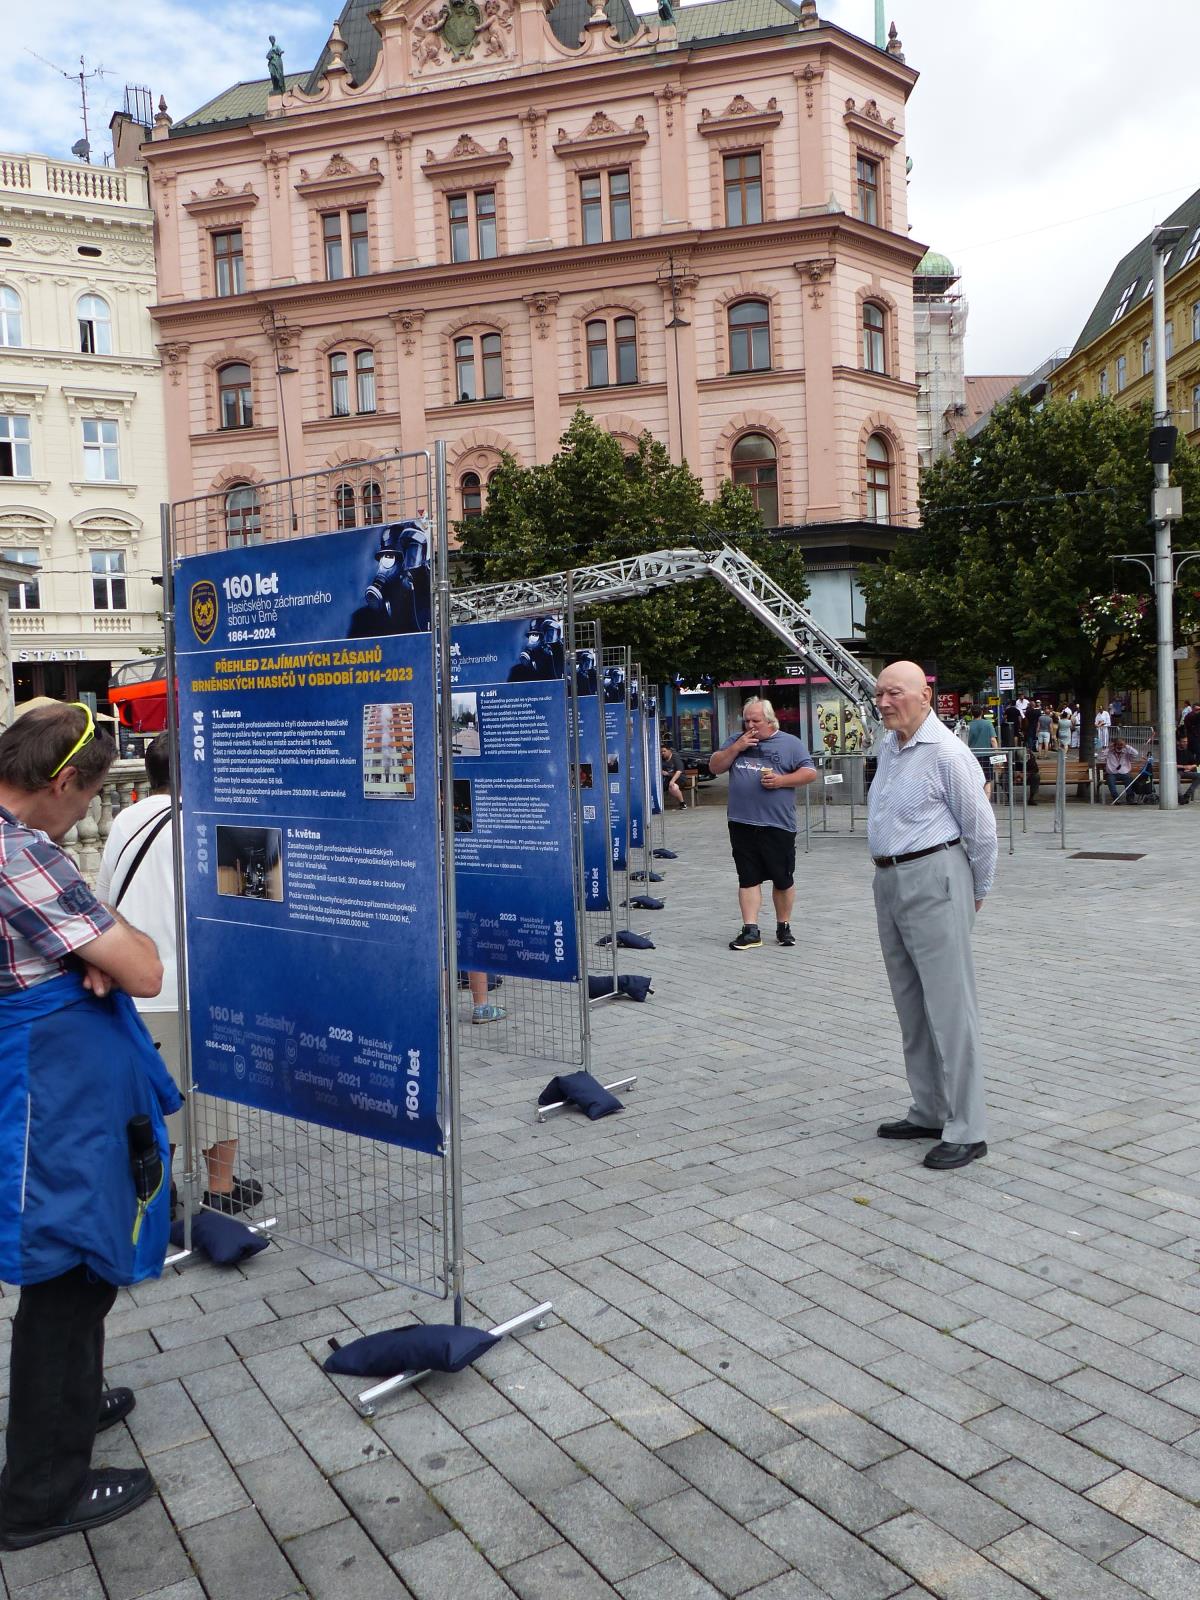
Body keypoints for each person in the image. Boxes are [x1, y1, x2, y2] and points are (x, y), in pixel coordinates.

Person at [0, 703, 178, 1550]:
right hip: (52, 1096)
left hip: (42, 1086)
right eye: (89, 798)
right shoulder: (19, 852)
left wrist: (83, 953)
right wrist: (99, 952)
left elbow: (99, 953)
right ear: (64, 781)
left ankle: (74, 1397)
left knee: (73, 1261)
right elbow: (140, 966)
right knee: (68, 1269)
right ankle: (40, 1490)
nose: (82, 816)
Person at [96, 735, 261, 1214]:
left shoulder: (126, 819)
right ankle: (221, 1189)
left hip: (141, 982)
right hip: (207, 982)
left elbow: (105, 899)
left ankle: (160, 1193)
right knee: (215, 1089)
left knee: (155, 1093)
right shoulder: (214, 818)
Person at [867, 661, 997, 1172]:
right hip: (890, 880)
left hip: (934, 877)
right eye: (879, 693)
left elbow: (981, 831)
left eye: (893, 693)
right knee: (910, 1004)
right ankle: (928, 1109)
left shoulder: (947, 752)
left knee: (950, 1007)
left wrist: (977, 891)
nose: (882, 702)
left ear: (926, 695)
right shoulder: (890, 746)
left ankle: (968, 1128)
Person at [707, 697, 817, 950]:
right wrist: (736, 747)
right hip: (741, 822)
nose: (750, 725)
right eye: (746, 720)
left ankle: (783, 926)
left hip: (777, 824)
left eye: (756, 720)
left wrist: (781, 781)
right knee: (747, 877)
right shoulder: (736, 741)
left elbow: (810, 773)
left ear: (770, 720)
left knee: (782, 878)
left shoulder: (790, 743)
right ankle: (750, 930)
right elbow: (715, 767)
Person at [1104, 735, 1152, 803]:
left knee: (1129, 779)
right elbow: (1100, 757)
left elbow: (1136, 753)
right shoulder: (1109, 752)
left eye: (1121, 745)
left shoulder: (1126, 751)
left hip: (1124, 773)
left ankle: (1130, 798)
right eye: (1118, 745)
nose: (1120, 747)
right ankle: (1116, 798)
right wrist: (1108, 748)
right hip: (1112, 773)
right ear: (1114, 745)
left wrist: (1127, 746)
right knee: (1110, 781)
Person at [965, 709, 998, 799]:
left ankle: (977, 800)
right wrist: (997, 753)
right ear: (982, 713)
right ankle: (986, 801)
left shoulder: (968, 725)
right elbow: (993, 740)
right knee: (987, 780)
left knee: (975, 779)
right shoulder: (988, 724)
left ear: (972, 714)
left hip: (972, 756)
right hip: (986, 755)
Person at [660, 743, 686, 809]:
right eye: (661, 752)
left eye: (664, 751)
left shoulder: (675, 758)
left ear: (669, 751)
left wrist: (672, 781)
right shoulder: (661, 759)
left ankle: (682, 803)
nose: (663, 753)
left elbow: (679, 771)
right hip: (666, 779)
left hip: (679, 778)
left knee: (673, 787)